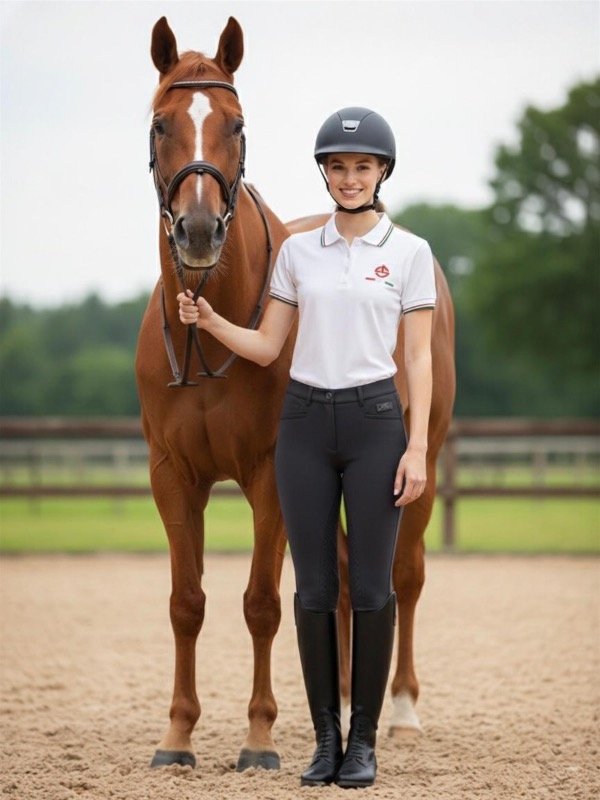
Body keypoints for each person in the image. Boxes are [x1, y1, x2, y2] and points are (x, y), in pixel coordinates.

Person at [178, 107, 436, 789]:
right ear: (325, 173)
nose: (350, 178)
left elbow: (418, 360)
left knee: (373, 589)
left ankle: (365, 743)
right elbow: (267, 346)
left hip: (377, 422)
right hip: (303, 425)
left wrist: (417, 449)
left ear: (381, 173)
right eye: (338, 166)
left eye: (362, 167)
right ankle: (326, 741)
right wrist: (210, 320)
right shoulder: (297, 254)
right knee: (316, 589)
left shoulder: (409, 254)